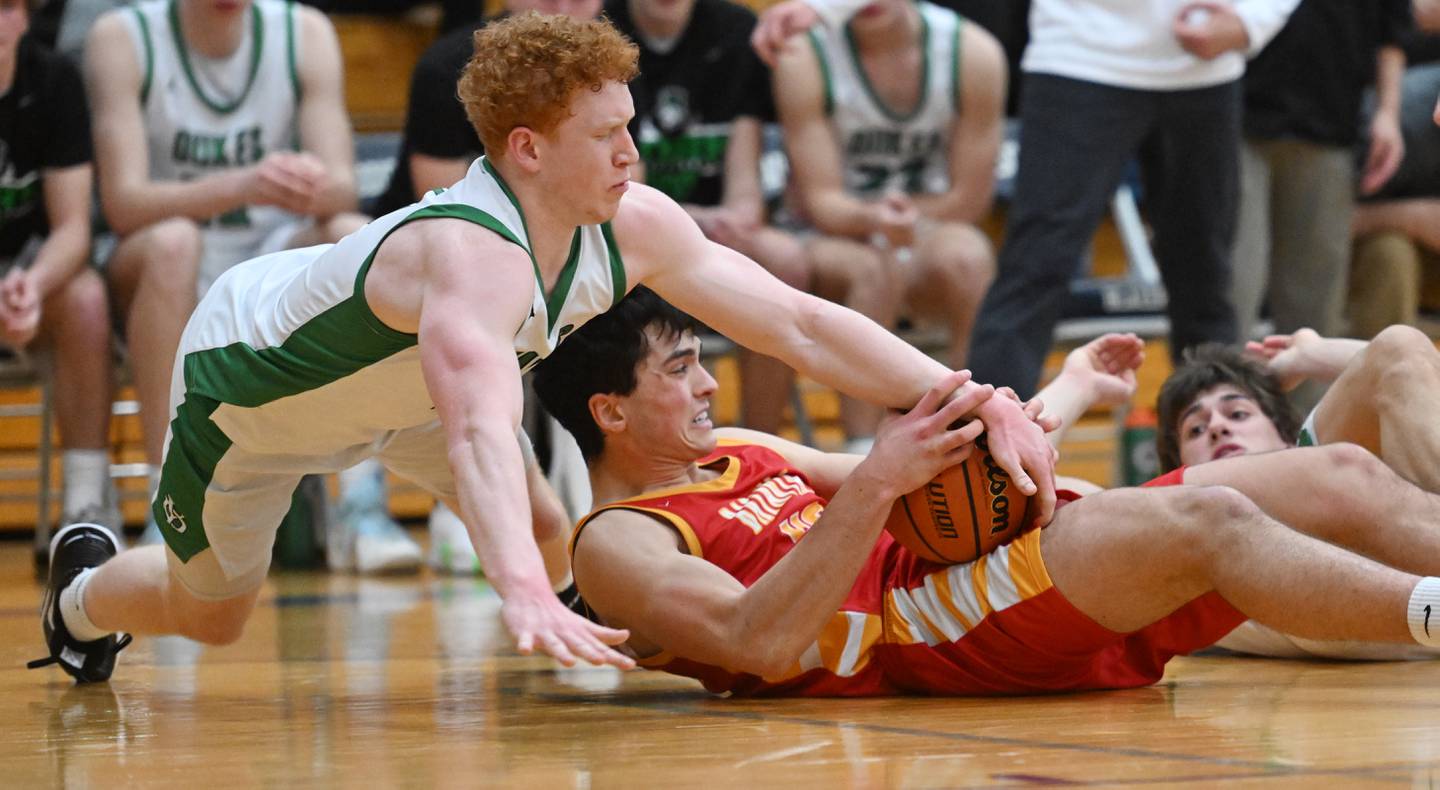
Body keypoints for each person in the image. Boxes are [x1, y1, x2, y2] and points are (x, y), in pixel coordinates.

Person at [31, 13, 1053, 684]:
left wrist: (970, 393)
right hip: (247, 395)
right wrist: (512, 585)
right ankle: (79, 601)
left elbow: (798, 321)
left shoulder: (628, 219)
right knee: (208, 617)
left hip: (405, 401)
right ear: (527, 150)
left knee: (551, 519)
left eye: (631, 125)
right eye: (605, 134)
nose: (632, 152)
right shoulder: (469, 254)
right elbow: (480, 426)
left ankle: (604, 631)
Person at [532, 287, 1440, 697]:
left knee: (1339, 476)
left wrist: (1066, 392)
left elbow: (947, 470)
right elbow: (754, 642)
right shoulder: (617, 543)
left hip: (964, 569)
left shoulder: (734, 448)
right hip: (919, 629)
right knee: (1216, 519)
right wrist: (880, 480)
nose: (707, 388)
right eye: (682, 370)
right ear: (609, 410)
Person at [753, 0, 1304, 399]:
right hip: (1079, 59)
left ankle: (1225, 464)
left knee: (1207, 282)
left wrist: (1251, 19)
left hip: (1207, 69)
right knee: (1035, 270)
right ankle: (984, 453)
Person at [85, 0, 370, 545]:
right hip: (160, 265)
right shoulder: (121, 38)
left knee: (354, 232)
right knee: (174, 243)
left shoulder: (304, 31)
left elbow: (343, 185)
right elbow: (122, 204)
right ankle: (165, 503)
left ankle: (363, 501)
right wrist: (240, 185)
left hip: (268, 255)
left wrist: (307, 181)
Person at [1038, 325, 1440, 660]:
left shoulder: (1337, 462)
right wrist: (1078, 385)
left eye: (1238, 413)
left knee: (1399, 343)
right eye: (1195, 430)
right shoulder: (1160, 526)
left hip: (1386, 530)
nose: (1216, 427)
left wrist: (1313, 355)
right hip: (1273, 575)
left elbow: (1407, 366)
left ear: (1287, 436)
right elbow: (1018, 477)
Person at [372, 0, 601, 575]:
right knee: (497, 296)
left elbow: (620, 196)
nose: (564, 5)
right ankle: (432, 505)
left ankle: (626, 499)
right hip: (443, 260)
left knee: (627, 293)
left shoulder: (607, 67)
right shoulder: (450, 64)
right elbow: (450, 211)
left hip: (551, 245)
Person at [771, 0, 1002, 449]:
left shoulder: (973, 53)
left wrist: (909, 221)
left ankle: (978, 430)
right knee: (872, 269)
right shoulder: (805, 55)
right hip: (831, 235)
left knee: (969, 257)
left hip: (929, 227)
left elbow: (971, 199)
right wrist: (873, 218)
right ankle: (863, 447)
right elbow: (822, 202)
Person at [607, 0, 815, 437]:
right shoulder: (603, 28)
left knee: (786, 259)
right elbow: (620, 194)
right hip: (632, 228)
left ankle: (762, 445)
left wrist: (741, 210)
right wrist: (694, 218)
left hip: (710, 235)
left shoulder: (735, 28)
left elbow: (746, 150)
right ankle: (657, 447)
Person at [1227, 0, 1411, 349]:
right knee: (1234, 286)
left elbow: (1394, 28)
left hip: (1330, 125)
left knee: (1314, 303)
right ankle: (1211, 400)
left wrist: (1388, 113)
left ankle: (1311, 406)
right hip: (1236, 120)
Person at [0, 0, 116, 531]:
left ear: (24, 16)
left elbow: (73, 227)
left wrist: (33, 285)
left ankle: (85, 505)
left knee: (86, 296)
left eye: (4, 7)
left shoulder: (53, 81)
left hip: (24, 271)